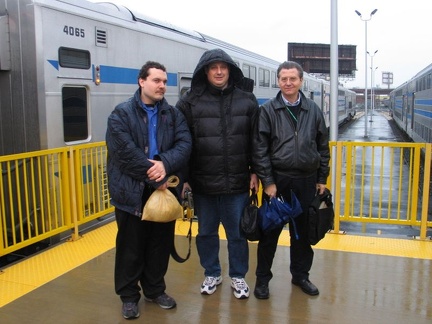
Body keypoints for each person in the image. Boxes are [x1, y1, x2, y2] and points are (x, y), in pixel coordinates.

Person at [106, 61, 192, 319]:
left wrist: (166, 164)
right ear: (141, 81)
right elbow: (124, 153)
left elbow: (185, 144)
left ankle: (155, 289)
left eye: (165, 82)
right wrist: (157, 177)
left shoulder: (173, 114)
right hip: (133, 192)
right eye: (156, 80)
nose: (162, 86)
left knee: (159, 244)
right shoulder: (121, 114)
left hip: (164, 192)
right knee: (131, 247)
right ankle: (129, 296)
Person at [176, 48, 259, 299]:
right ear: (205, 71)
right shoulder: (189, 102)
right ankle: (212, 272)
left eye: (224, 67)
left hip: (237, 182)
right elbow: (182, 142)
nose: (219, 71)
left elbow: (256, 140)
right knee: (207, 233)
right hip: (203, 183)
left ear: (230, 70)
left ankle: (238, 276)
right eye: (214, 67)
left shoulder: (247, 100)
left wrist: (255, 171)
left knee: (237, 233)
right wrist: (184, 178)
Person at [252, 61, 330, 299]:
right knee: (270, 233)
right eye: (283, 79)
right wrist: (269, 182)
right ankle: (263, 280)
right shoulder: (267, 111)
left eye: (292, 79)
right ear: (278, 81)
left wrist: (321, 177)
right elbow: (260, 150)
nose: (288, 83)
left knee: (303, 234)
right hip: (279, 181)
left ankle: (301, 276)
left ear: (301, 81)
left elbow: (322, 147)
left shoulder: (313, 110)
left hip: (306, 182)